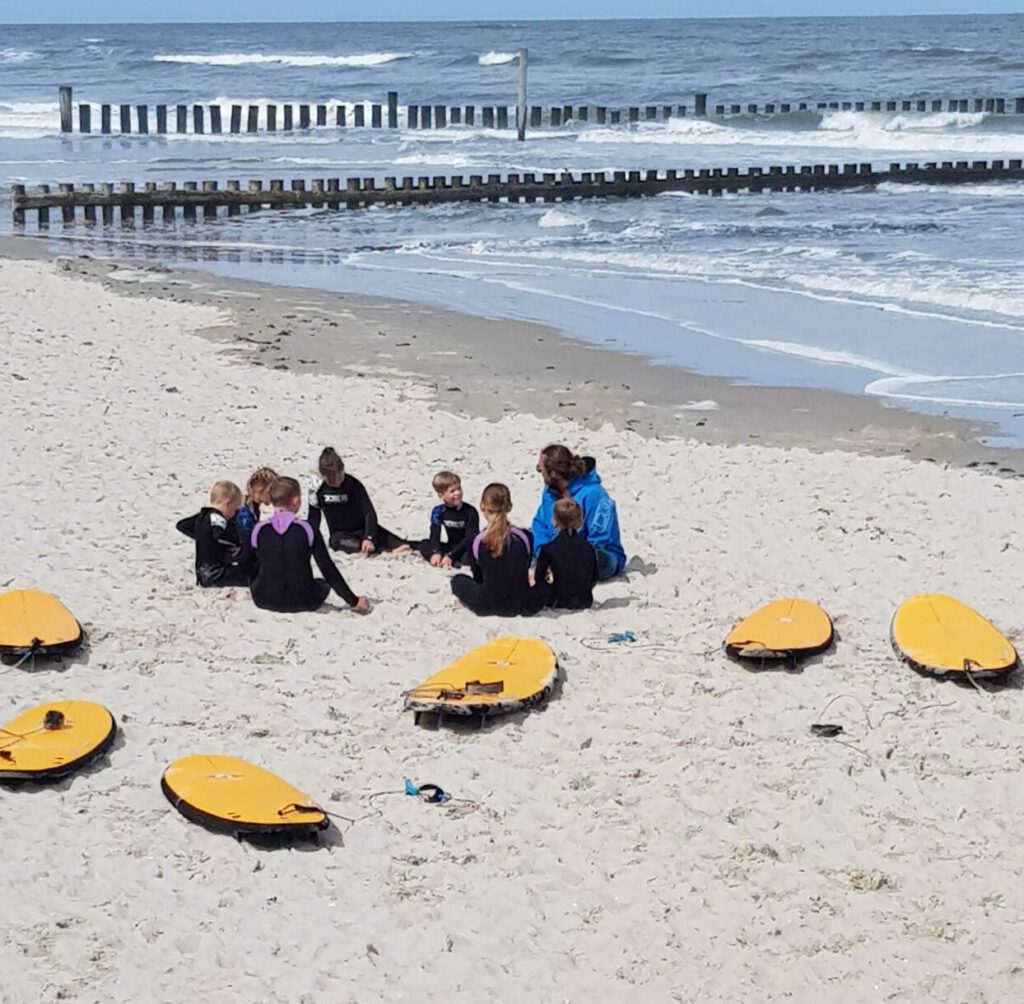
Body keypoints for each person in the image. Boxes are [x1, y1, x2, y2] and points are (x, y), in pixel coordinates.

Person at [250, 476, 370, 614]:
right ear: (296, 501)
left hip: (264, 600)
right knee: (321, 584)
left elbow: (250, 567)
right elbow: (327, 569)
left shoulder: (258, 530)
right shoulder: (308, 529)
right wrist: (353, 600)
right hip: (304, 601)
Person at [531, 444, 625, 580]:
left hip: (596, 553)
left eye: (541, 469)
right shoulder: (549, 493)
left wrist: (568, 558)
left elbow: (600, 538)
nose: (539, 471)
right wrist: (544, 552)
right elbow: (540, 524)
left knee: (600, 561)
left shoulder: (595, 494)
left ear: (554, 473)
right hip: (558, 551)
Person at [450, 484, 541, 617]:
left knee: (457, 580)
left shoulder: (477, 541)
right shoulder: (525, 537)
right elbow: (524, 567)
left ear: (482, 506)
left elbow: (479, 577)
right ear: (509, 507)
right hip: (521, 604)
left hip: (487, 605)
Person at [307, 447, 406, 555]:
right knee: (338, 542)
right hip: (340, 535)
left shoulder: (353, 484)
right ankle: (378, 550)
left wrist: (369, 537)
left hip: (362, 529)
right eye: (331, 481)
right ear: (323, 476)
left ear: (343, 470)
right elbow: (314, 518)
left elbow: (369, 513)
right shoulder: (317, 489)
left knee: (402, 545)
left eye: (339, 477)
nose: (336, 482)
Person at [176, 480, 250, 588]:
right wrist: (236, 544)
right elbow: (219, 536)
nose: (233, 514)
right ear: (227, 504)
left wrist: (204, 537)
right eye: (234, 510)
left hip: (202, 573)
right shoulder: (217, 518)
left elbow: (182, 525)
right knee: (249, 574)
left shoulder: (202, 516)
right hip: (215, 573)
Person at [533, 498, 599, 610]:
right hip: (585, 600)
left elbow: (539, 578)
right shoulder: (589, 548)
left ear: (554, 520)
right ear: (579, 521)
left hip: (558, 601)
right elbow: (594, 577)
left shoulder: (548, 549)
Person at [416, 471, 480, 568]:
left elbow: (470, 539)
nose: (457, 493)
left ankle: (454, 563)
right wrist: (436, 552)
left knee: (470, 556)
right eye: (452, 491)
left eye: (459, 488)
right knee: (424, 544)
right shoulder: (438, 511)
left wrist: (451, 556)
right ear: (441, 495)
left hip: (465, 548)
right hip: (451, 546)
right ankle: (438, 560)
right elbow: (434, 535)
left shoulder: (470, 511)